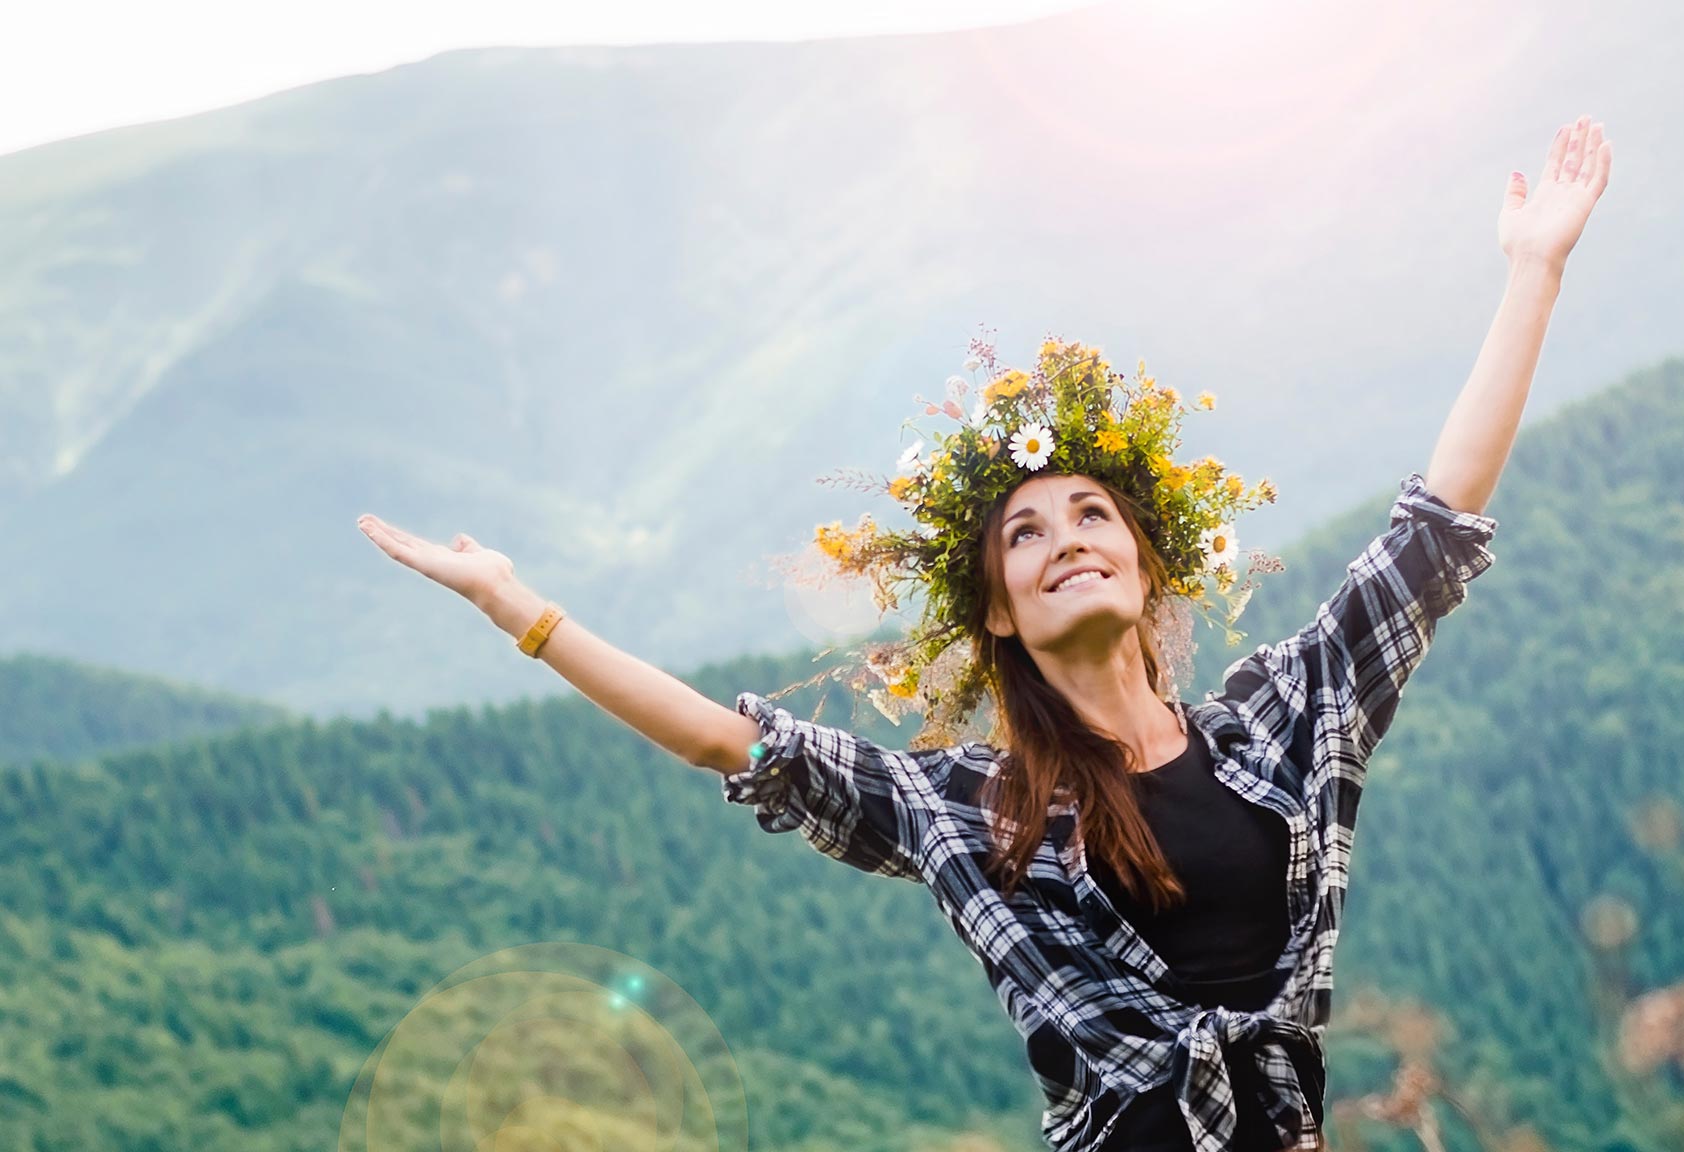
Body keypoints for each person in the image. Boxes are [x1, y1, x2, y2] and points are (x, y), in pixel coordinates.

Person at [358, 115, 1613, 1152]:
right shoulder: (974, 808)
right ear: (1002, 614)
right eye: (1024, 533)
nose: (1064, 535)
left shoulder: (1282, 726)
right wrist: (515, 606)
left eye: (1089, 512)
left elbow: (1433, 526)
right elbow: (726, 743)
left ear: (1136, 557)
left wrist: (1531, 272)